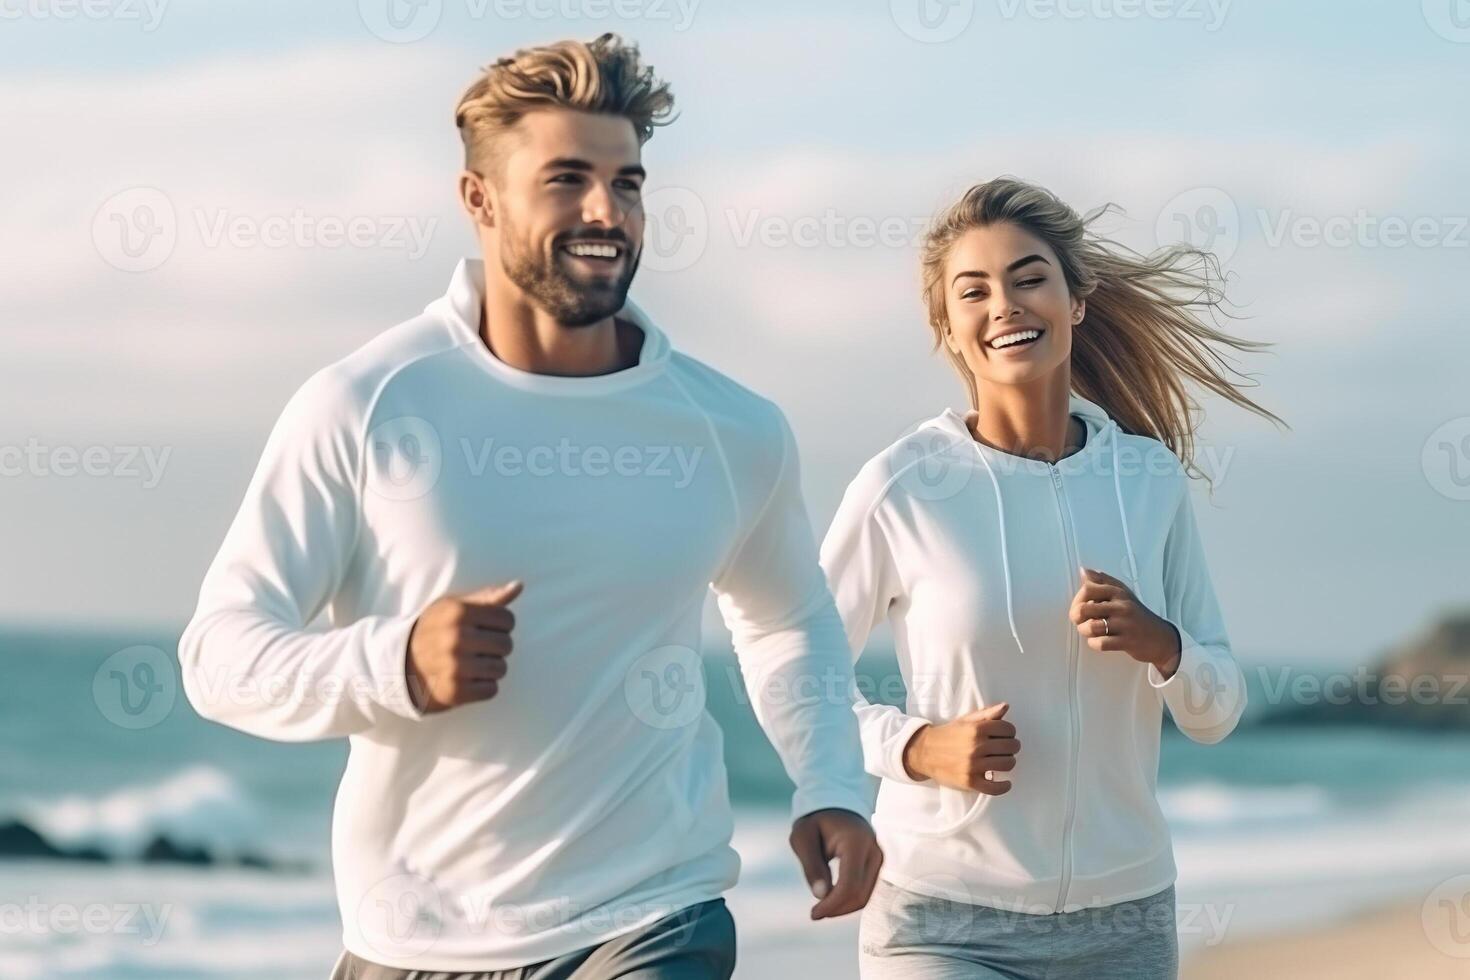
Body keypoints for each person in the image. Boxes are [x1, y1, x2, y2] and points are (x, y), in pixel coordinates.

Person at [177, 34, 881, 980]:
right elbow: (219, 654)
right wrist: (394, 663)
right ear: (479, 200)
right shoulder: (369, 404)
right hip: (411, 935)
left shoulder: (729, 428)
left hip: (654, 913)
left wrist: (829, 780)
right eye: (566, 179)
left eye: (627, 183)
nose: (607, 211)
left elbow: (787, 617)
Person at [819, 176, 1285, 979]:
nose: (1004, 304)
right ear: (950, 329)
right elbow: (800, 678)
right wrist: (916, 747)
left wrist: (1162, 644)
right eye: (974, 291)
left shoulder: (1147, 479)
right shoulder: (904, 486)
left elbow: (1218, 710)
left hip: (1125, 922)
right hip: (941, 918)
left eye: (1029, 277)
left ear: (1075, 301)